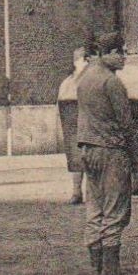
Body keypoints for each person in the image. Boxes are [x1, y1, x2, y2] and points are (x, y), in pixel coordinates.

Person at [76, 31, 138, 275]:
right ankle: (111, 271)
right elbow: (126, 124)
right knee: (116, 209)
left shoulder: (85, 79)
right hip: (111, 150)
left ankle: (98, 267)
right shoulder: (112, 82)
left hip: (88, 149)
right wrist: (137, 160)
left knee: (95, 208)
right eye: (119, 52)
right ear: (106, 54)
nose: (123, 57)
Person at [61, 47, 90, 205]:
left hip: (83, 123)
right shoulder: (69, 82)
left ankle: (82, 192)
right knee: (77, 157)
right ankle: (77, 191)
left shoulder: (70, 82)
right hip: (76, 124)